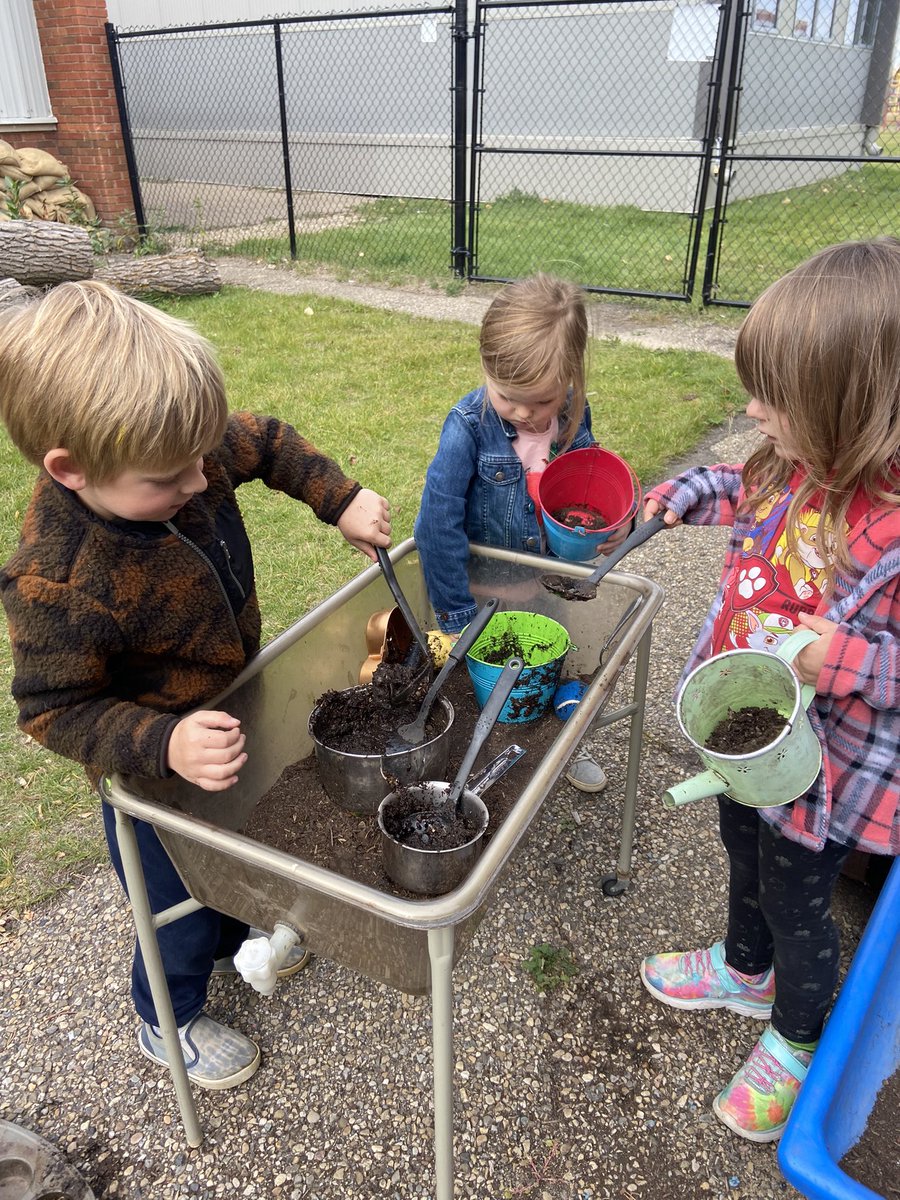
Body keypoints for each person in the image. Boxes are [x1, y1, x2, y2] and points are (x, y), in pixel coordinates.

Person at [0, 280, 392, 1089]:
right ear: (70, 469)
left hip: (223, 713)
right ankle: (165, 1017)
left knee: (236, 856)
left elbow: (274, 442)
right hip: (152, 776)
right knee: (172, 905)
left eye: (202, 460)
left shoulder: (182, 453)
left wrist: (341, 499)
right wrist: (163, 742)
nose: (197, 482)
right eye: (168, 479)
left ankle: (231, 939)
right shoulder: (56, 579)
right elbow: (52, 710)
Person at [638, 238, 900, 1142]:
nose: (752, 411)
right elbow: (740, 486)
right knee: (740, 855)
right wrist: (684, 491)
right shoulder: (795, 464)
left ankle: (796, 1037)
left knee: (799, 899)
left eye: (772, 399)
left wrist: (853, 665)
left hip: (819, 768)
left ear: (848, 410)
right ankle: (744, 971)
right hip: (745, 737)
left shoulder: (892, 528)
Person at [415, 273, 623, 794]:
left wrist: (615, 530)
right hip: (482, 593)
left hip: (544, 585)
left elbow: (589, 489)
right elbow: (435, 524)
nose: (526, 414)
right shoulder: (467, 426)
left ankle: (555, 753)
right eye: (509, 398)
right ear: (486, 369)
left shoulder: (574, 414)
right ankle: (468, 767)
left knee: (548, 664)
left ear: (570, 379)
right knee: (482, 685)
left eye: (542, 401)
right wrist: (458, 617)